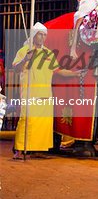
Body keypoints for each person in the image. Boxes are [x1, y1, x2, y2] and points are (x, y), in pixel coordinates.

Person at [12, 22, 82, 159]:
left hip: (45, 94)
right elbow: (16, 68)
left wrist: (75, 74)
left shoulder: (48, 53)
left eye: (44, 35)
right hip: (30, 92)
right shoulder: (24, 51)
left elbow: (59, 71)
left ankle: (37, 149)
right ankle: (19, 150)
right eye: (40, 34)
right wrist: (26, 58)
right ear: (34, 35)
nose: (43, 37)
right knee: (27, 120)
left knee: (43, 123)